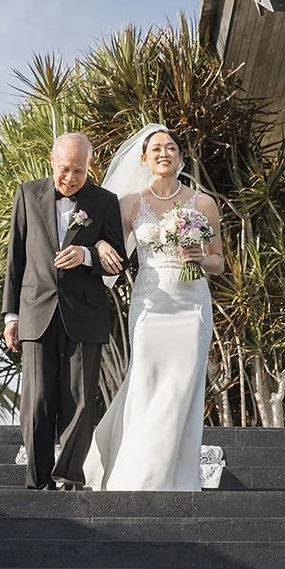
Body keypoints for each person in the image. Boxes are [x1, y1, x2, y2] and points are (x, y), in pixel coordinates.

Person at [83, 125, 224, 492]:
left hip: (192, 304)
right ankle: (136, 472)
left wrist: (199, 256)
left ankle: (176, 477)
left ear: (180, 156)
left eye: (171, 148)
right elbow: (106, 242)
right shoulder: (130, 203)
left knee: (182, 389)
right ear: (144, 159)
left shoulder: (203, 203)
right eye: (157, 149)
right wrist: (99, 248)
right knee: (146, 381)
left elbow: (219, 263)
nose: (165, 153)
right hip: (150, 303)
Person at [2, 133, 127, 490]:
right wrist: (11, 315)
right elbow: (16, 259)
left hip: (84, 313)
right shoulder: (27, 194)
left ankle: (69, 477)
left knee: (81, 400)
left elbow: (118, 260)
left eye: (79, 171)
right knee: (38, 398)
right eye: (64, 169)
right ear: (51, 161)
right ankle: (38, 480)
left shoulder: (104, 201)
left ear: (90, 167)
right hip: (35, 310)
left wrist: (87, 255)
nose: (70, 178)